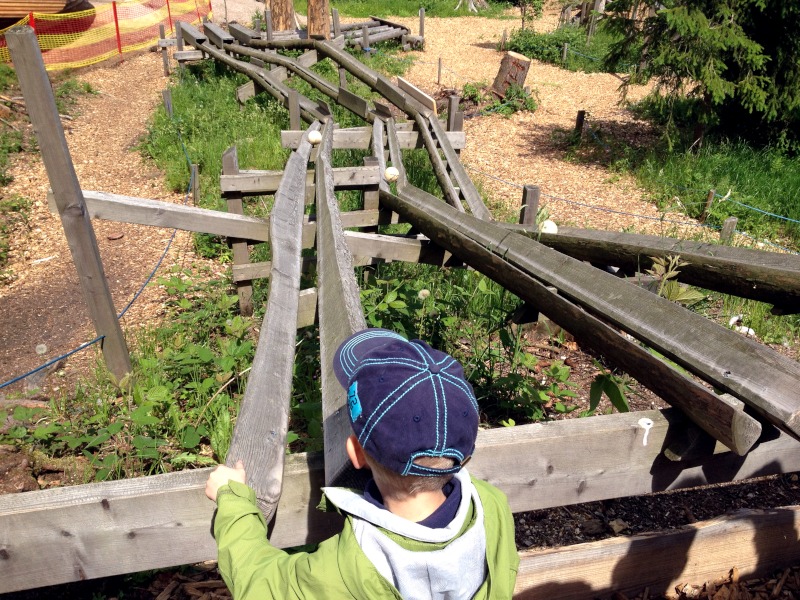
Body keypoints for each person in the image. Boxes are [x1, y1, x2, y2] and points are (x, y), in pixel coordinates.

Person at [205, 328, 519, 599]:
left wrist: (233, 499)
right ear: (464, 456)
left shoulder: (346, 570)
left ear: (355, 453)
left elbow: (261, 583)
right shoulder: (492, 506)